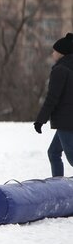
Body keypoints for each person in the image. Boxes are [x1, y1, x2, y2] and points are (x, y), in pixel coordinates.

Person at [34, 32, 73, 176]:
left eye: (55, 51)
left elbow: (52, 98)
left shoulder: (60, 70)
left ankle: (59, 185)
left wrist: (40, 120)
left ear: (62, 53)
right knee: (53, 152)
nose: (52, 54)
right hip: (68, 120)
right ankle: (58, 184)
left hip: (66, 122)